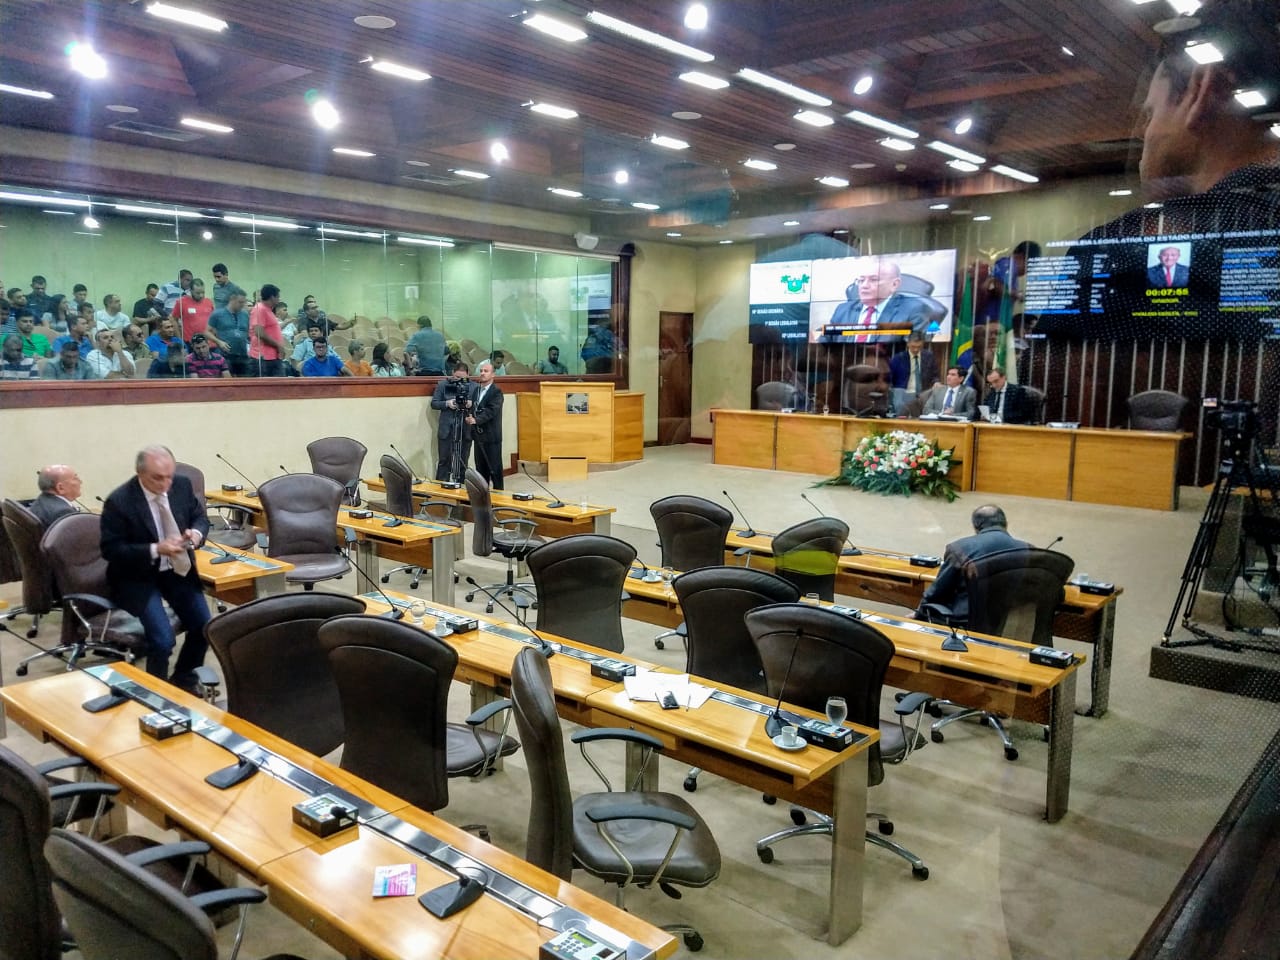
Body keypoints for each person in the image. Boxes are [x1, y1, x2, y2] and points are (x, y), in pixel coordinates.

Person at [100, 444, 211, 689]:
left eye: (169, 476)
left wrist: (195, 534)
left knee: (204, 626)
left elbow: (200, 517)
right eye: (157, 478)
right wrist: (155, 549)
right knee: (162, 640)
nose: (165, 484)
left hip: (176, 570)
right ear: (140, 474)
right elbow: (111, 550)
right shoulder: (120, 501)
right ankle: (156, 692)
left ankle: (184, 679)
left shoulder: (181, 485)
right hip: (138, 576)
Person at [915, 504, 1027, 623]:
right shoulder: (1029, 550)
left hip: (966, 626)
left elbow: (937, 593)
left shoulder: (960, 549)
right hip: (1012, 626)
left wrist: (918, 614)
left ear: (976, 527)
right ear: (1006, 524)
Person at [827, 258, 935, 342]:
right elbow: (824, 344)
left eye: (873, 280)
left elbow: (913, 353)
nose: (864, 286)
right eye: (861, 280)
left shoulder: (914, 311)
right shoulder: (843, 310)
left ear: (894, 284)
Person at [431, 362, 474, 482]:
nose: (459, 380)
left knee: (463, 460)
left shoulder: (474, 387)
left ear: (468, 375)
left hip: (465, 428)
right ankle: (441, 487)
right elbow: (434, 403)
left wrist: (471, 404)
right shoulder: (443, 385)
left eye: (462, 378)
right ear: (452, 373)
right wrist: (447, 403)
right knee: (444, 460)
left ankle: (461, 485)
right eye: (457, 377)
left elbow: (481, 405)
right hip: (447, 428)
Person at [469, 360, 504, 489]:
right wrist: (470, 416)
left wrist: (476, 420)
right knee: (480, 470)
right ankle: (483, 496)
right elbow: (475, 408)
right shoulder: (476, 390)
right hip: (478, 437)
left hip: (491, 437)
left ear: (493, 374)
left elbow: (491, 411)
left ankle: (499, 496)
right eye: (481, 371)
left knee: (494, 470)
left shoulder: (496, 392)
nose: (482, 373)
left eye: (486, 371)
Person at [887, 331, 939, 409]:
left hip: (923, 394)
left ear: (923, 344)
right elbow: (890, 378)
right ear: (908, 344)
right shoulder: (898, 358)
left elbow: (935, 375)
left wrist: (936, 382)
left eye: (919, 347)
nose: (916, 349)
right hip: (903, 395)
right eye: (913, 346)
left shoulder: (929, 357)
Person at [207, 291, 252, 376]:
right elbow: (206, 332)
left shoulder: (245, 314)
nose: (242, 305)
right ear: (232, 300)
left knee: (245, 381)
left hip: (242, 355)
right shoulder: (217, 314)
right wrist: (219, 342)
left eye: (244, 302)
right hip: (225, 355)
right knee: (227, 382)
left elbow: (247, 332)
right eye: (240, 302)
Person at [249, 284, 287, 377]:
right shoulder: (260, 309)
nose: (279, 299)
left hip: (272, 357)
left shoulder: (268, 310)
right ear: (272, 297)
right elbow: (259, 332)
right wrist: (278, 345)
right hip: (263, 358)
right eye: (278, 297)